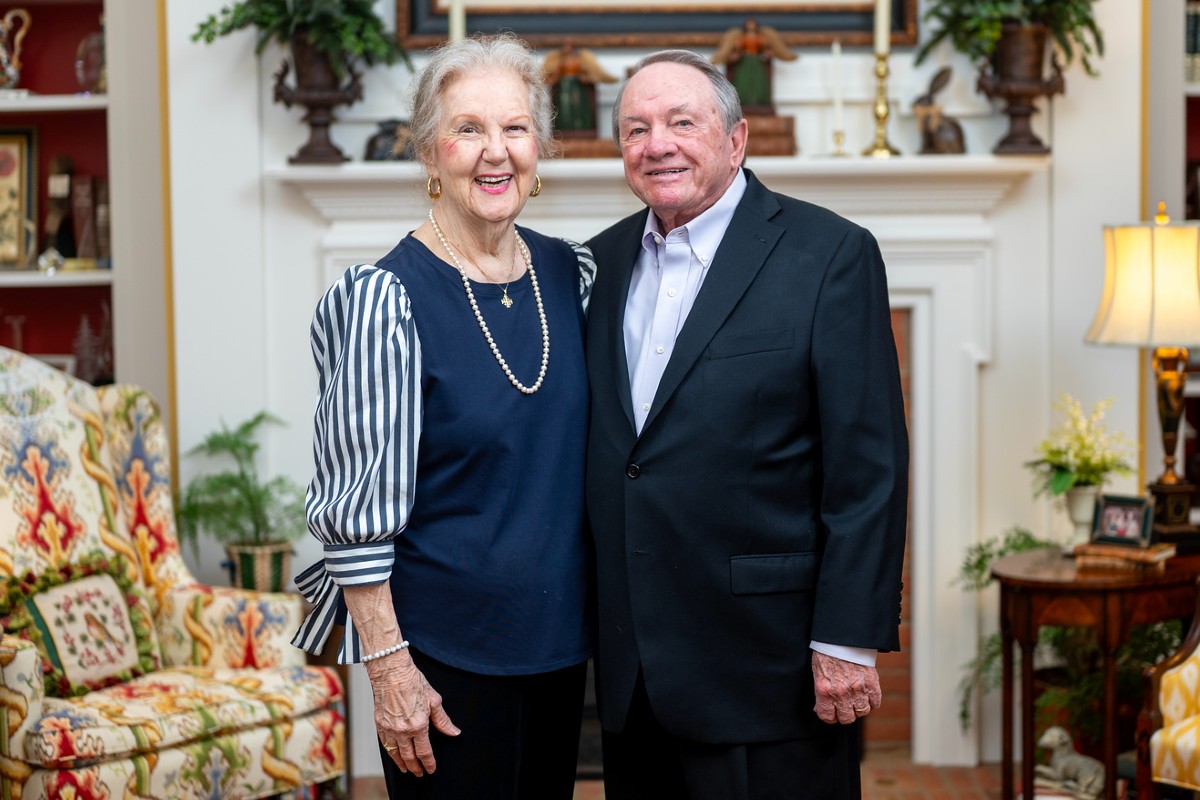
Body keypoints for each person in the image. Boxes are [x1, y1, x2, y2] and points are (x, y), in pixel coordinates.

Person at [584, 50, 909, 799]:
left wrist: (846, 639)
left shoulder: (830, 255)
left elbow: (868, 468)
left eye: (682, 122)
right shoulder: (599, 264)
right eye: (636, 129)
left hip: (772, 671)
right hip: (636, 678)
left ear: (736, 140)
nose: (657, 144)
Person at [291, 33, 596, 800]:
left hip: (561, 646)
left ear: (539, 149)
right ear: (429, 151)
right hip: (441, 660)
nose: (496, 152)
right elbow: (356, 517)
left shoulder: (573, 274)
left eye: (515, 128)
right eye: (468, 129)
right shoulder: (383, 300)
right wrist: (388, 668)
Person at [711, 19, 797, 112]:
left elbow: (765, 48)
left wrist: (767, 53)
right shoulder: (741, 37)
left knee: (758, 81)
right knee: (743, 81)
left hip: (757, 63)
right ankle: (742, 101)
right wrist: (735, 55)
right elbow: (737, 49)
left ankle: (759, 101)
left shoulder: (760, 37)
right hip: (744, 63)